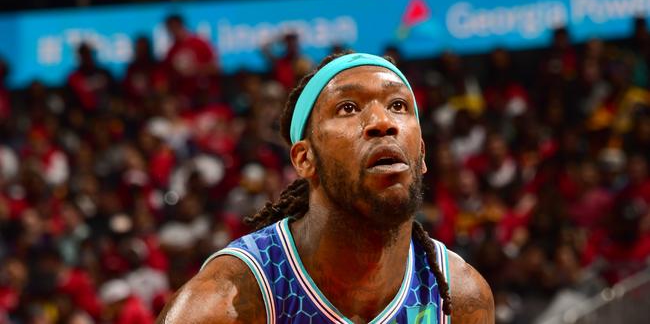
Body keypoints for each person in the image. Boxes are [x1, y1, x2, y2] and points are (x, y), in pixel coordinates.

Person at [157, 52, 494, 323]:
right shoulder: (230, 300)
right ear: (305, 159)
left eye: (398, 105)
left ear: (421, 154)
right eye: (348, 108)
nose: (383, 122)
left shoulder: (460, 296)